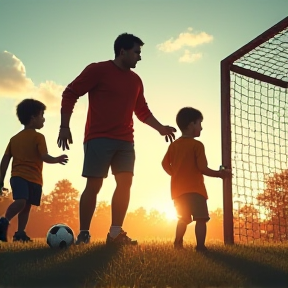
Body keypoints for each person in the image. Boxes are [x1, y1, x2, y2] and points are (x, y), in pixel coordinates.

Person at [57, 33, 176, 245]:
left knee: (125, 182)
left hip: (125, 142)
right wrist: (64, 126)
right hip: (98, 138)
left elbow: (142, 110)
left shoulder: (136, 80)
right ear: (123, 52)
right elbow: (70, 92)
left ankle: (114, 233)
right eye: (137, 52)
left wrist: (160, 128)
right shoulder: (98, 70)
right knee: (94, 185)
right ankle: (84, 233)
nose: (140, 57)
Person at [161, 107, 232, 251]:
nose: (201, 127)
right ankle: (200, 247)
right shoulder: (197, 145)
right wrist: (220, 174)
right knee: (201, 218)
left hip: (178, 190)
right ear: (191, 125)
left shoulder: (174, 145)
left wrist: (175, 174)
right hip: (195, 190)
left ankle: (178, 243)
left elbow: (164, 164)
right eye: (199, 123)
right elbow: (202, 168)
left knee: (184, 218)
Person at [0, 99, 68, 242]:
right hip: (20, 176)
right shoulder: (38, 137)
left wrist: (1, 178)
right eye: (42, 115)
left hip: (34, 178)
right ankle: (3, 221)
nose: (44, 119)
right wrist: (56, 159)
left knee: (26, 206)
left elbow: (5, 160)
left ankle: (20, 234)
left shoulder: (14, 139)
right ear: (33, 118)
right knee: (21, 201)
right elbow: (44, 156)